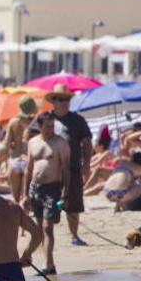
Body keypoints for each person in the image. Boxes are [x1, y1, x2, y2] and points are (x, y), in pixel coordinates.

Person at [23, 113, 70, 274]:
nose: (51, 129)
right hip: (35, 188)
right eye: (47, 126)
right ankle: (46, 262)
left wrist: (65, 193)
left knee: (47, 227)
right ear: (40, 126)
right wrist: (25, 194)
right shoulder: (32, 142)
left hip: (53, 188)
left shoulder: (60, 143)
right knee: (39, 227)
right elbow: (29, 170)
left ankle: (48, 264)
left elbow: (66, 170)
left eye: (52, 126)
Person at [47, 83, 92, 247]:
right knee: (49, 203)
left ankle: (74, 235)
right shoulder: (46, 119)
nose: (64, 102)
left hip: (72, 168)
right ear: (54, 101)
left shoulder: (77, 120)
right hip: (50, 170)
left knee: (74, 203)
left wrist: (87, 165)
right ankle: (47, 236)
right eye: (61, 99)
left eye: (67, 99)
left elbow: (87, 143)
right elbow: (30, 136)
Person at [4, 95, 37, 202]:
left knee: (16, 199)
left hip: (15, 161)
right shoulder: (36, 123)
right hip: (29, 161)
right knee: (26, 198)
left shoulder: (13, 122)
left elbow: (6, 144)